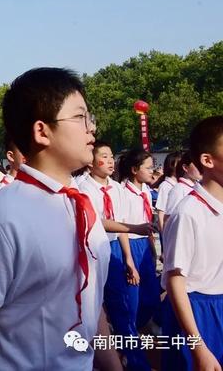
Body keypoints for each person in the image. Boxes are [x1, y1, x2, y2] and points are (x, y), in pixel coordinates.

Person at [0, 67, 120, 370]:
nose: (91, 128)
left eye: (90, 118)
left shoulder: (83, 205)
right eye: (80, 117)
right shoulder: (2, 216)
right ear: (42, 131)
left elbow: (92, 303)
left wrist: (112, 365)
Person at [79, 141, 154, 370]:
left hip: (114, 251)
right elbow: (97, 222)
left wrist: (128, 259)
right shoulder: (83, 188)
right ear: (90, 162)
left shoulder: (116, 188)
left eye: (111, 156)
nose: (110, 160)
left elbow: (120, 226)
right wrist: (133, 227)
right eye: (104, 156)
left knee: (122, 306)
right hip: (92, 250)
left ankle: (135, 362)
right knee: (90, 308)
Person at [162, 116, 223, 370]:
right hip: (197, 312)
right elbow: (175, 281)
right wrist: (198, 347)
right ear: (207, 160)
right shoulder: (188, 212)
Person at [118, 149, 162, 336]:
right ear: (135, 170)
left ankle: (143, 324)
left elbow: (147, 223)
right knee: (133, 294)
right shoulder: (122, 193)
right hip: (130, 244)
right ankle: (130, 333)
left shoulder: (145, 191)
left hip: (145, 243)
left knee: (151, 293)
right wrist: (129, 259)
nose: (153, 171)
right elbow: (122, 228)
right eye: (149, 167)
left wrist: (151, 248)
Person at [164, 151, 203, 217]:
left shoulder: (198, 187)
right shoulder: (179, 189)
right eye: (197, 165)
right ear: (185, 168)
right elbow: (169, 217)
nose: (201, 168)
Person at [155, 151, 181, 233]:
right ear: (171, 166)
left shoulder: (180, 184)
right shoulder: (165, 186)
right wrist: (163, 233)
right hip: (169, 229)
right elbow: (161, 212)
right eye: (179, 163)